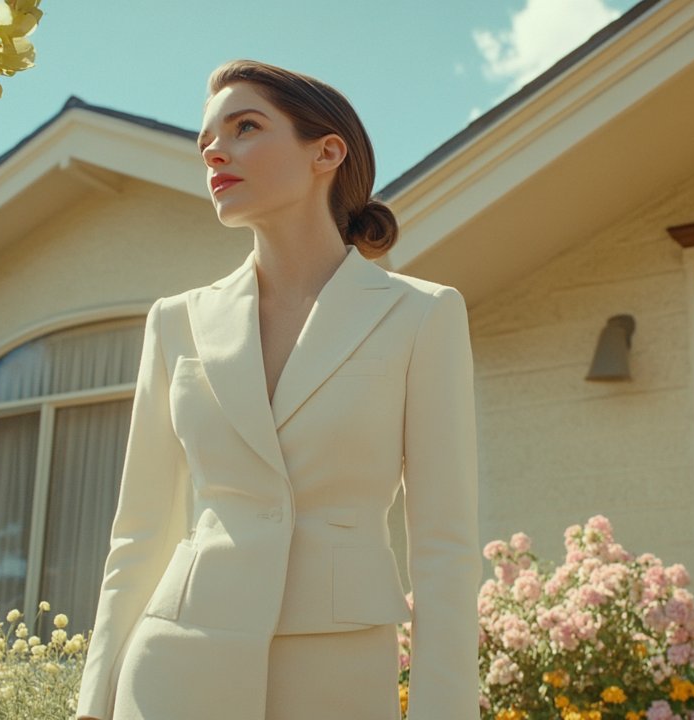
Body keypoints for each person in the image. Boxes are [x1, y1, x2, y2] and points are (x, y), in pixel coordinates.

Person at [74, 59, 481, 720]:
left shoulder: (422, 316)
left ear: (326, 152)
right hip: (175, 662)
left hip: (336, 671)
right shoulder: (177, 322)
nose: (214, 149)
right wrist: (94, 704)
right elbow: (140, 532)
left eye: (244, 127)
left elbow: (445, 545)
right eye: (207, 138)